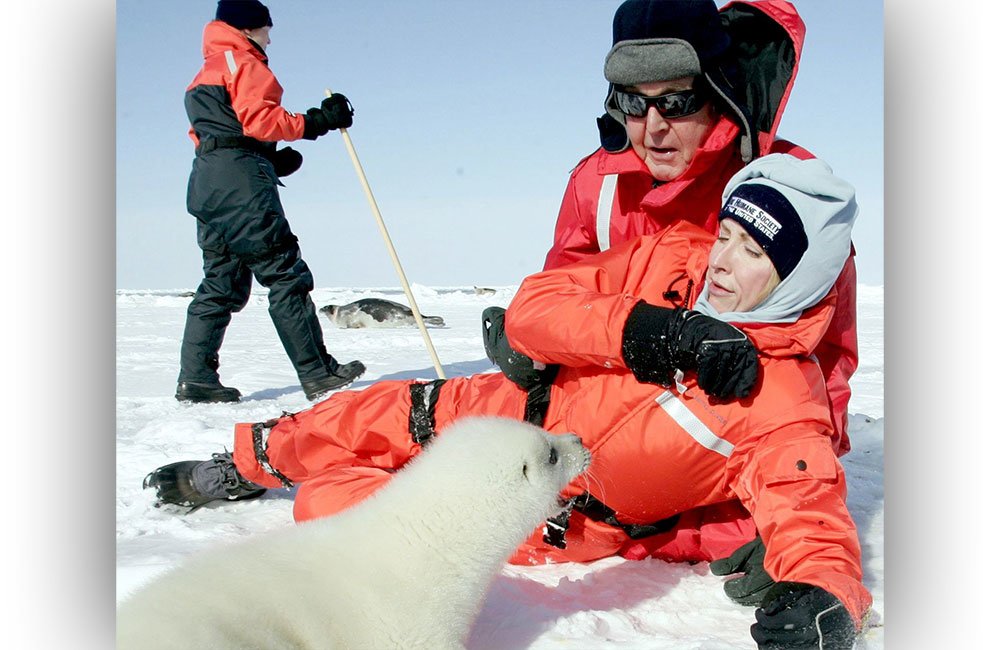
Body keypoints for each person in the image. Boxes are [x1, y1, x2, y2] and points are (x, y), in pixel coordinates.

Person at [145, 154, 871, 649]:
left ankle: (316, 493)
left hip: (554, 503)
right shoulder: (671, 260)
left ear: (799, 277)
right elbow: (538, 304)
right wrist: (644, 326)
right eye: (730, 232)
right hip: (500, 404)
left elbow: (808, 509)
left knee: (332, 511)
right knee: (360, 417)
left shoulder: (779, 400)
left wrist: (821, 596)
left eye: (754, 251)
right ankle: (248, 462)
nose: (722, 259)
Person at [486, 0, 860, 587]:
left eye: (676, 101)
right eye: (633, 102)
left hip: (715, 473)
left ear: (718, 91)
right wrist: (530, 352)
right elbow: (563, 297)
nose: (653, 126)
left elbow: (825, 364)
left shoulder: (786, 191)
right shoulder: (597, 183)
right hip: (591, 455)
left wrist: (770, 520)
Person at [176, 0, 365, 404]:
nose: (269, 36)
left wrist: (267, 157)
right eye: (266, 28)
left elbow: (217, 132)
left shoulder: (205, 72)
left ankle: (196, 379)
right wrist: (317, 122)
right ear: (247, 28)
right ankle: (318, 372)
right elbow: (259, 120)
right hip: (239, 182)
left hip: (208, 181)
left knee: (220, 284)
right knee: (284, 273)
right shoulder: (243, 62)